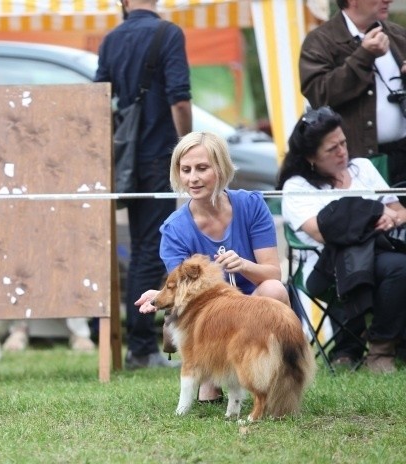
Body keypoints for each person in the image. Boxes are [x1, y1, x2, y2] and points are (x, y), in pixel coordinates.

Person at [135, 131, 288, 402]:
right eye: (186, 170)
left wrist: (243, 265)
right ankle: (211, 374)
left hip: (252, 306)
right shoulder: (174, 229)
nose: (193, 178)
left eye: (202, 168)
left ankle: (273, 379)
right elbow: (184, 295)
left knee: (274, 290)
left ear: (221, 168)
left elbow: (272, 273)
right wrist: (160, 297)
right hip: (207, 317)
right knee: (199, 313)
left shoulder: (252, 205)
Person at [95, 0, 192, 369]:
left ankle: (138, 343)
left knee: (140, 248)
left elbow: (99, 100)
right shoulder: (169, 34)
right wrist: (189, 145)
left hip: (124, 156)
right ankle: (140, 346)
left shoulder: (111, 39)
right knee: (150, 249)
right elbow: (179, 99)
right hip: (157, 155)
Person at [279, 105, 406, 374]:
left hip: (378, 251)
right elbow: (321, 231)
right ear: (311, 157)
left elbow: (399, 210)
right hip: (328, 265)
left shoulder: (362, 168)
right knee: (399, 268)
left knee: (395, 264)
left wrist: (391, 218)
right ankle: (381, 349)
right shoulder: (298, 187)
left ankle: (363, 346)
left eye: (343, 142)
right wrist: (374, 213)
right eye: (332, 148)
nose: (342, 151)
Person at [299, 0, 406, 186]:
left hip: (402, 156)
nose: (389, 0)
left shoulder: (398, 35)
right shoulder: (321, 41)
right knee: (377, 215)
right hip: (358, 165)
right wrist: (364, 56)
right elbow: (318, 94)